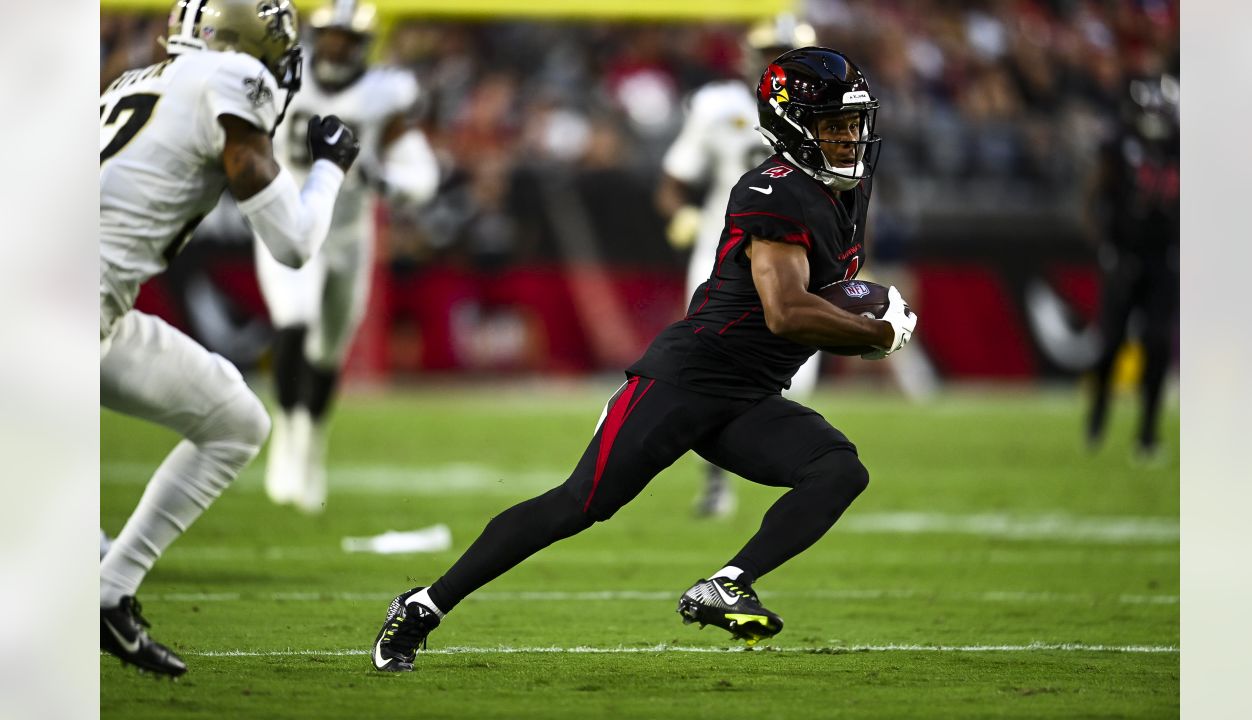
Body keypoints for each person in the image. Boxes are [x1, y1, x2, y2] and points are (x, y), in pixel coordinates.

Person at [370, 47, 918, 672]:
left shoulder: (843, 190)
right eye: (834, 125)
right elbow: (786, 312)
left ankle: (727, 583)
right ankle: (422, 606)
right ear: (794, 124)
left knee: (838, 470)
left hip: (751, 392)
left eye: (853, 124)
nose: (850, 139)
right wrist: (870, 333)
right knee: (579, 504)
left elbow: (812, 300)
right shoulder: (774, 190)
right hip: (687, 377)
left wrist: (860, 318)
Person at [99, 0, 359, 676]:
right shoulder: (232, 80)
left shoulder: (137, 80)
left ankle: (107, 591)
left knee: (236, 419)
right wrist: (330, 166)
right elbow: (295, 244)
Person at [259, 0, 440, 513]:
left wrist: (389, 180)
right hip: (288, 219)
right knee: (294, 319)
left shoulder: (387, 93)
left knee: (330, 351)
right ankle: (287, 436)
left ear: (364, 45)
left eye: (347, 39)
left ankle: (312, 442)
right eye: (331, 36)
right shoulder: (281, 77)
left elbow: (420, 171)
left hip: (349, 233)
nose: (337, 47)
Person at [656, 15, 817, 518]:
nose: (776, 63)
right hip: (722, 254)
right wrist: (682, 212)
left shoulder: (826, 112)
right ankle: (716, 480)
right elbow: (672, 180)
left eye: (785, 53)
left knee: (791, 377)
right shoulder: (717, 107)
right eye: (769, 52)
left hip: (797, 255)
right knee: (711, 366)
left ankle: (798, 470)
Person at [1084, 72, 1179, 462]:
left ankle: (1148, 433)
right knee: (1112, 345)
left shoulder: (1181, 147)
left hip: (1163, 260)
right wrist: (1107, 247)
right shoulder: (1118, 146)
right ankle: (1098, 416)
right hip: (1125, 257)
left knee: (1157, 344)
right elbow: (1092, 199)